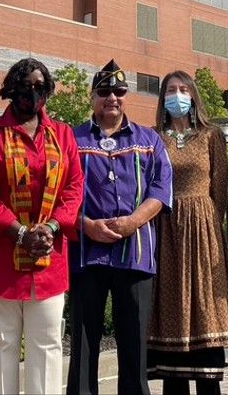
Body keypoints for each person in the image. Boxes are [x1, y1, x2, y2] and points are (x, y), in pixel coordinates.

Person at [0, 58, 84, 394]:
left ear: (48, 92)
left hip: (49, 258)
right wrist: (18, 230)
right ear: (10, 88)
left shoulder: (63, 135)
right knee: (2, 344)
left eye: (39, 86)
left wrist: (53, 228)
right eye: (24, 85)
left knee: (47, 345)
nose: (32, 92)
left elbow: (75, 187)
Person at [68, 59, 174, 395]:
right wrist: (86, 226)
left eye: (119, 91)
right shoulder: (72, 139)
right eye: (104, 91)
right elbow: (57, 193)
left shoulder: (149, 139)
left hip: (136, 255)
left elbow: (161, 189)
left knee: (134, 343)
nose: (112, 97)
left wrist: (133, 221)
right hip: (87, 255)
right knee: (84, 342)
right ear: (92, 97)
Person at [147, 70, 228, 395]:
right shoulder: (153, 137)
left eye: (183, 89)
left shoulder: (211, 135)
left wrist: (209, 229)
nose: (178, 94)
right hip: (165, 229)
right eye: (171, 90)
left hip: (203, 231)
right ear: (163, 98)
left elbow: (220, 188)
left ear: (193, 96)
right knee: (172, 306)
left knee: (204, 307)